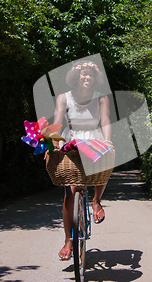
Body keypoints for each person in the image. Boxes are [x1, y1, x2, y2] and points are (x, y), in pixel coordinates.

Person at [50, 60, 113, 260]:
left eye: (90, 75)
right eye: (83, 74)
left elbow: (105, 121)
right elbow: (57, 123)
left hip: (93, 140)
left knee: (105, 164)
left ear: (95, 79)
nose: (86, 77)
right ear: (76, 77)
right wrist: (52, 145)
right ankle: (68, 240)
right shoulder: (63, 98)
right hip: (71, 141)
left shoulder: (101, 98)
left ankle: (96, 201)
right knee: (69, 191)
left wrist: (108, 140)